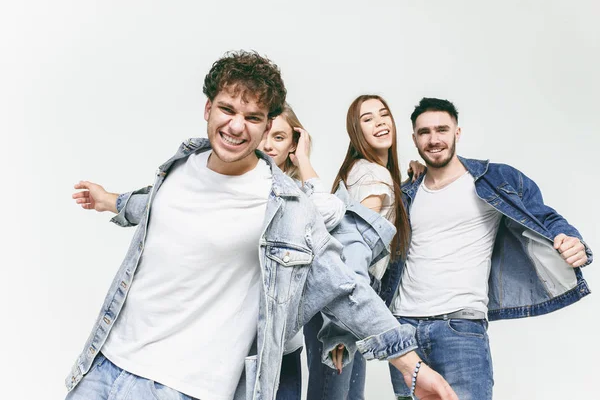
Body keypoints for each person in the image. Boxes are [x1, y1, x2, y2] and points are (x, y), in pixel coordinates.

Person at [64, 51, 457, 400]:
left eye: (252, 118)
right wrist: (108, 200)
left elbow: (344, 285)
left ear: (268, 126)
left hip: (181, 385)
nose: (236, 126)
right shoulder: (180, 167)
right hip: (103, 364)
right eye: (227, 110)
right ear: (208, 109)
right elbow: (151, 206)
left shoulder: (284, 204)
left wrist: (411, 366)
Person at [387, 97, 593, 399]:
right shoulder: (407, 193)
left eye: (442, 129)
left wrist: (572, 240)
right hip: (403, 330)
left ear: (457, 132)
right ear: (414, 139)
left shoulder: (492, 179)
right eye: (425, 132)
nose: (434, 139)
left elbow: (544, 215)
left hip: (460, 328)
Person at [304, 94, 415, 400]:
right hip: (342, 306)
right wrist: (338, 331)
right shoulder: (373, 176)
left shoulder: (366, 171)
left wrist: (409, 181)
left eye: (383, 115)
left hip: (338, 303)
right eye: (367, 119)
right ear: (357, 132)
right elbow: (352, 252)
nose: (379, 122)